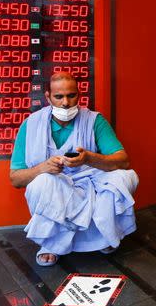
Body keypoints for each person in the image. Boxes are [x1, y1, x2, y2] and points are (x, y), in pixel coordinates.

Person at [9, 72, 138, 267]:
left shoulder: (94, 121)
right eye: (58, 97)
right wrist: (43, 168)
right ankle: (52, 244)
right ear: (47, 97)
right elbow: (16, 179)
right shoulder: (30, 125)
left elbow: (123, 161)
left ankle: (105, 235)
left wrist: (89, 158)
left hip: (91, 185)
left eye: (71, 95)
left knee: (125, 177)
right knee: (41, 182)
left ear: (79, 95)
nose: (66, 103)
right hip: (57, 189)